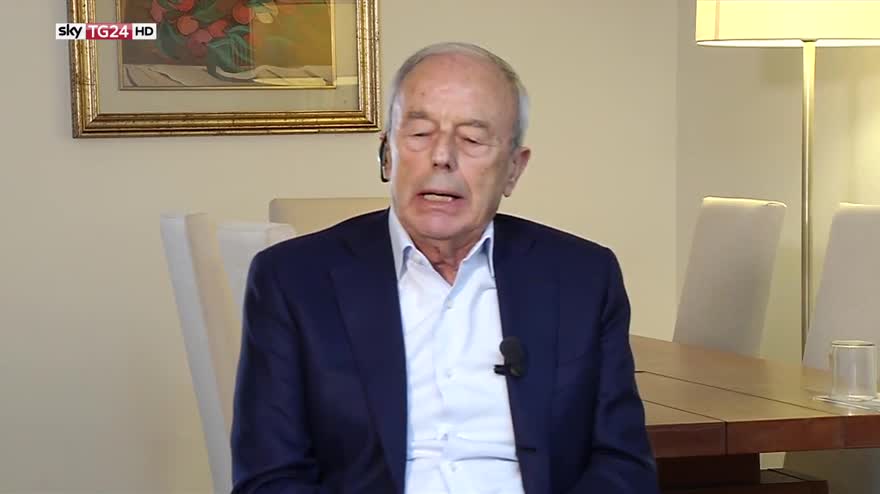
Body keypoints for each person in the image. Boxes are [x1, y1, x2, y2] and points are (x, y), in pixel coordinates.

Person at [231, 42, 659, 494]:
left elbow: (623, 465)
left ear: (514, 169)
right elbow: (270, 478)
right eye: (419, 134)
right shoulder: (294, 280)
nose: (442, 157)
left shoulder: (582, 277)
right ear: (387, 155)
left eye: (472, 139)